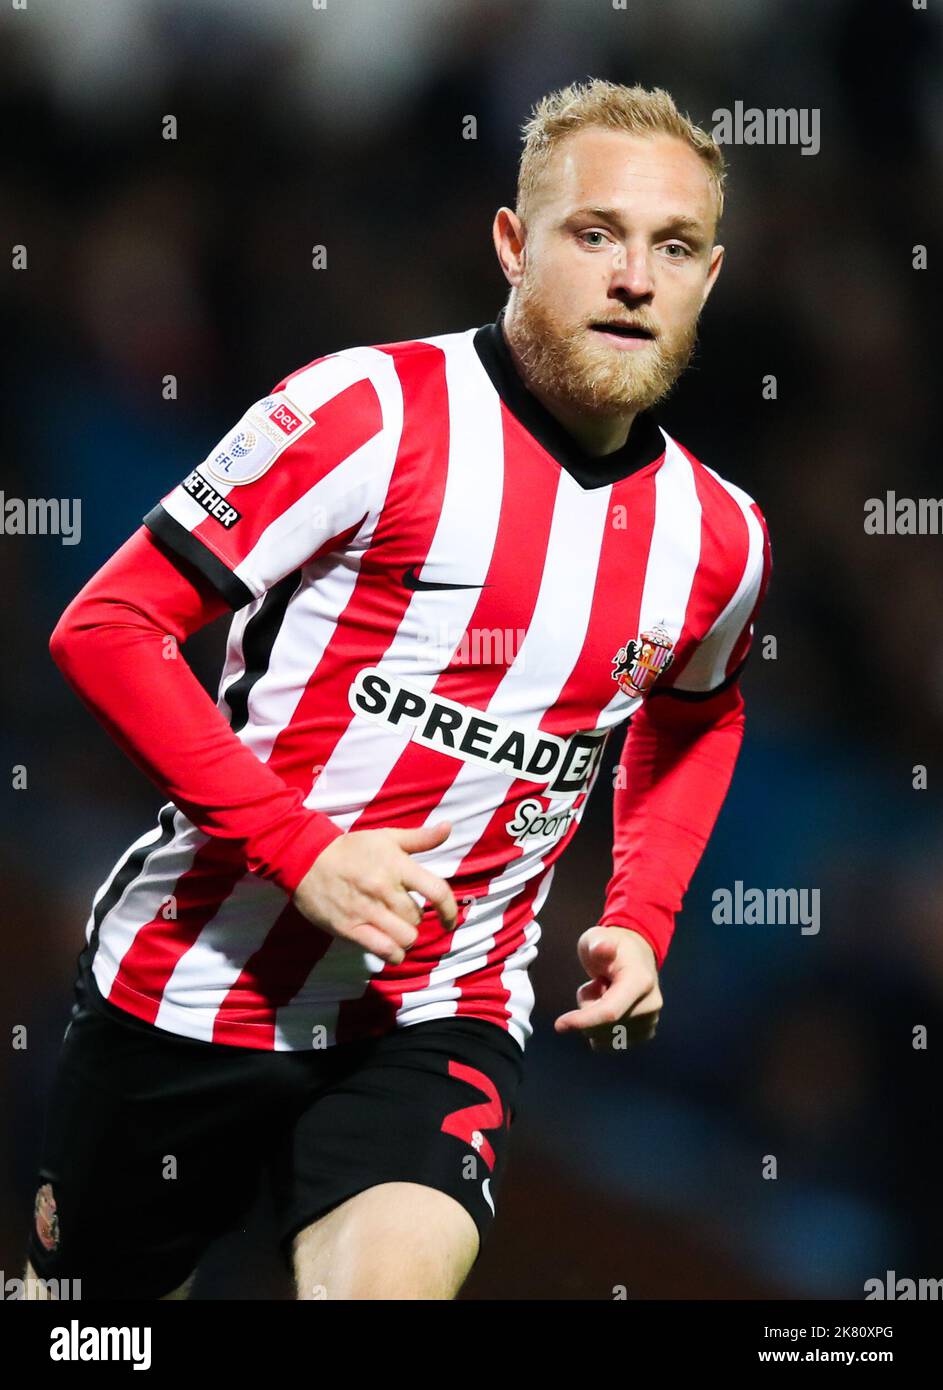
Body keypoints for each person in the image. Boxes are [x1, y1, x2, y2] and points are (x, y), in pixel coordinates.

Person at [24, 78, 771, 1301]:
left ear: (707, 277)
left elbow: (698, 715)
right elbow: (107, 627)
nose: (634, 277)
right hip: (193, 986)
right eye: (595, 235)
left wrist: (642, 915)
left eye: (672, 246)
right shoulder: (364, 413)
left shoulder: (720, 538)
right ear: (513, 245)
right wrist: (298, 847)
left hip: (439, 1010)